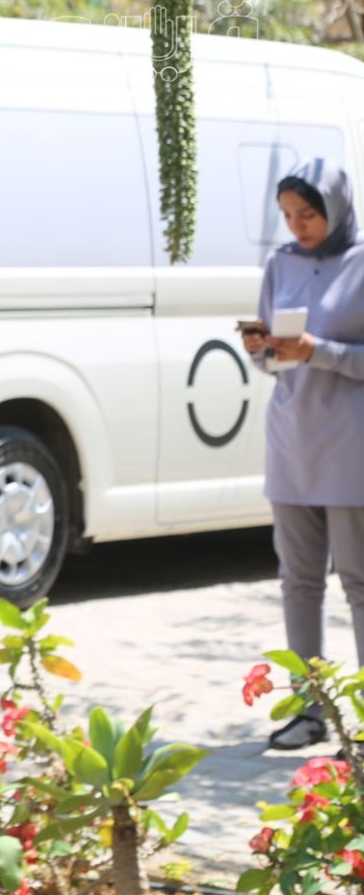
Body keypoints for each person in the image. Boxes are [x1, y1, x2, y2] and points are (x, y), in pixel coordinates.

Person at [240, 159, 364, 751]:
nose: (298, 227)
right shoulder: (280, 263)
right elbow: (271, 360)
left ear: (335, 209)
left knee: (359, 583)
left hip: (351, 448)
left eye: (308, 214)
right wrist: (262, 348)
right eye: (288, 216)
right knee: (298, 582)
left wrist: (321, 351)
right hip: (291, 441)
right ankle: (310, 711)